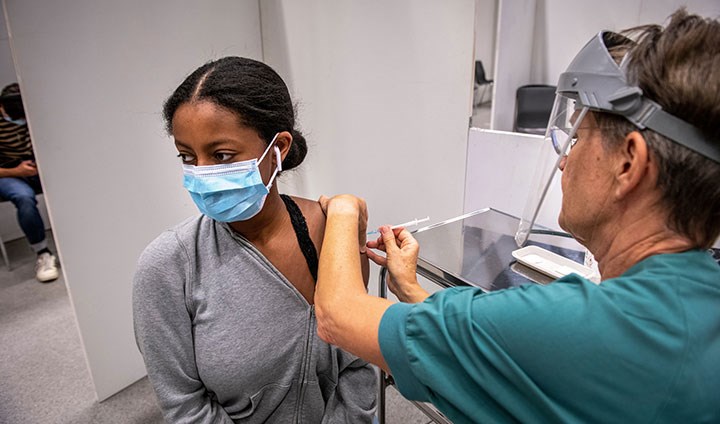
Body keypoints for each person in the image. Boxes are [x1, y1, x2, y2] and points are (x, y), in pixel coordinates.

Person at [314, 9, 720, 423]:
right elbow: (498, 346)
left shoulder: (579, 325)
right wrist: (410, 287)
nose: (564, 161)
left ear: (629, 163)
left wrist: (345, 208)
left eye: (578, 138)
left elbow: (337, 315)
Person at [132, 57, 377, 423]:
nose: (200, 173)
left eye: (222, 155)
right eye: (187, 156)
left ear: (277, 148)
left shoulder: (330, 230)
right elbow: (184, 406)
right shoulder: (168, 266)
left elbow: (357, 364)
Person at [0, 83, 59, 282]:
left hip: (38, 168)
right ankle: (43, 253)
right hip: (9, 174)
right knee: (24, 197)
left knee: (70, 188)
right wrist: (16, 170)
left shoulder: (36, 114)